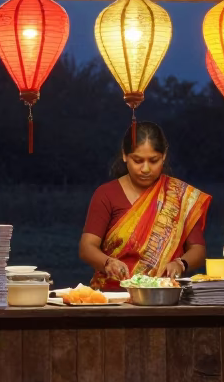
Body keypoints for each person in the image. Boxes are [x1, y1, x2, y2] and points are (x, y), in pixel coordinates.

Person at [79, 122, 211, 290]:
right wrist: (108, 262)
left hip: (163, 295)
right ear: (125, 155)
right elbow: (87, 247)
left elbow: (198, 250)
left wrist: (181, 263)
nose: (146, 169)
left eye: (153, 160)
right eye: (138, 160)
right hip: (114, 298)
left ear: (164, 156)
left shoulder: (179, 196)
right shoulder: (106, 194)